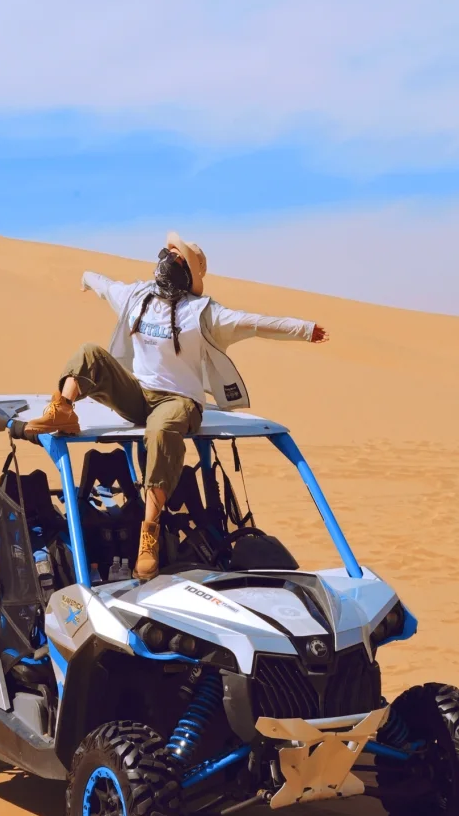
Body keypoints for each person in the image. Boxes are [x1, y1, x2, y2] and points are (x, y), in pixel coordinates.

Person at [24, 232, 327, 581]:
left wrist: (304, 329)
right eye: (167, 252)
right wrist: (85, 278)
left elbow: (254, 323)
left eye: (177, 257)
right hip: (139, 395)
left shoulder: (203, 312)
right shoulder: (137, 296)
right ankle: (62, 409)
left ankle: (149, 535)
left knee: (161, 429)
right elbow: (105, 286)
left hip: (180, 401)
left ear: (188, 273)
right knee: (89, 353)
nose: (168, 259)